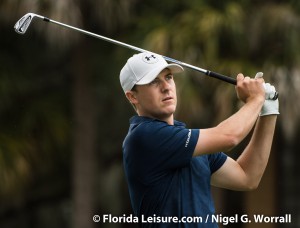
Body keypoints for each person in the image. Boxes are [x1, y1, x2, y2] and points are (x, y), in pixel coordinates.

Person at [119, 52, 279, 227]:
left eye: (168, 77)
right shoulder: (144, 136)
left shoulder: (190, 143)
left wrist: (268, 112)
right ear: (132, 96)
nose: (166, 87)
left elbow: (247, 177)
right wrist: (255, 99)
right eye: (153, 82)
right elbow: (229, 137)